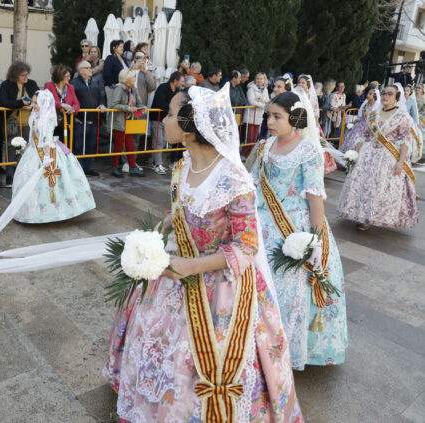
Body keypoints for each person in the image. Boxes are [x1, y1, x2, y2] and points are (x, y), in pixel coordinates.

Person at [104, 85, 304, 422]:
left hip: (220, 291)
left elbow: (246, 246)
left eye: (169, 113)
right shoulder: (183, 166)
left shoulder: (234, 179)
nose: (163, 119)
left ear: (190, 125)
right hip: (175, 275)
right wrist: (164, 228)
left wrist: (190, 266)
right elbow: (182, 210)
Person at [252, 90, 347, 370]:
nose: (270, 121)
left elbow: (314, 198)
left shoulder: (309, 151)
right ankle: (257, 345)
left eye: (277, 116)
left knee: (289, 293)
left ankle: (282, 351)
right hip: (262, 223)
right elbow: (255, 185)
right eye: (268, 115)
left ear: (294, 117)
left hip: (294, 229)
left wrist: (317, 243)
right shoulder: (266, 146)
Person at [339, 84, 418, 230]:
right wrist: (356, 153)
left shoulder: (403, 116)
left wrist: (401, 162)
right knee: (362, 184)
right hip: (368, 154)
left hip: (387, 157)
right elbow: (365, 135)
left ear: (397, 97)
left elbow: (405, 141)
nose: (385, 96)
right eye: (384, 93)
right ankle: (359, 214)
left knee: (378, 187)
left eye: (390, 94)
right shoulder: (373, 114)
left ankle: (369, 218)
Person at [12, 90, 95, 223]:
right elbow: (34, 137)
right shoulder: (36, 115)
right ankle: (28, 211)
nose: (33, 105)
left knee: (53, 181)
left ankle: (53, 212)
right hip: (34, 151)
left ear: (44, 103)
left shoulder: (48, 118)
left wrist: (46, 159)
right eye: (32, 102)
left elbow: (47, 140)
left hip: (47, 152)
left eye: (36, 103)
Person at [0, 61, 39, 187]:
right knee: (11, 150)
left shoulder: (32, 84)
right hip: (12, 123)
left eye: (27, 74)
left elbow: (39, 98)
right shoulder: (6, 85)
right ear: (15, 75)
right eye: (23, 75)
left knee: (27, 151)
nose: (26, 77)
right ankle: (9, 177)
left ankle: (25, 176)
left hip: (28, 124)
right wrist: (21, 103)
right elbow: (3, 102)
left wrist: (32, 105)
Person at [71, 60, 107, 176]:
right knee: (78, 146)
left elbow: (101, 97)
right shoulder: (74, 83)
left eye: (91, 68)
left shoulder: (94, 83)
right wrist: (73, 117)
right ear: (81, 70)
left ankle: (87, 168)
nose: (91, 69)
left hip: (93, 120)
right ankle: (77, 169)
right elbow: (70, 101)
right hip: (80, 121)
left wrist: (102, 104)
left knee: (90, 145)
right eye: (88, 68)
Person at [110, 69, 146, 177]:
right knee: (119, 144)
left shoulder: (133, 89)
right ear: (126, 79)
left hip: (130, 120)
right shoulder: (119, 88)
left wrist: (142, 107)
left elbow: (139, 103)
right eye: (133, 77)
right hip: (119, 121)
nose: (135, 79)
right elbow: (113, 105)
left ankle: (133, 167)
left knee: (130, 145)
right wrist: (127, 108)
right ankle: (115, 167)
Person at [149, 71, 185, 175]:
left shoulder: (177, 91)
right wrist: (172, 109)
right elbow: (161, 103)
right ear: (175, 81)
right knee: (158, 141)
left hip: (166, 120)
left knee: (163, 141)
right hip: (157, 118)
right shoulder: (163, 88)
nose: (183, 84)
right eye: (182, 81)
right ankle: (157, 164)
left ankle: (156, 162)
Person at [44, 65, 80, 141]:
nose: (69, 78)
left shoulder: (70, 87)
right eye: (67, 76)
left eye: (70, 76)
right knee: (54, 147)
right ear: (60, 76)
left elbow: (76, 103)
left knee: (67, 146)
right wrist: (62, 105)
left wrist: (73, 109)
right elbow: (47, 102)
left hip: (67, 123)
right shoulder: (49, 85)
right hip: (53, 123)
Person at [340, 87, 380, 152]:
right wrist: (352, 123)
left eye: (370, 94)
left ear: (375, 96)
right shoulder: (365, 105)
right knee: (351, 141)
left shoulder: (376, 107)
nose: (367, 95)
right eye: (368, 93)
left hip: (368, 128)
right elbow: (361, 117)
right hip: (359, 126)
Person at [243, 72, 270, 145]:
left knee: (255, 139)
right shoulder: (251, 88)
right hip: (250, 117)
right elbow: (251, 101)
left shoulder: (265, 89)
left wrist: (262, 102)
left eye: (261, 79)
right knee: (249, 139)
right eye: (257, 78)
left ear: (264, 80)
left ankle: (249, 155)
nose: (259, 80)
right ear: (255, 80)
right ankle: (243, 155)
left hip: (259, 117)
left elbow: (267, 100)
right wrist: (263, 104)